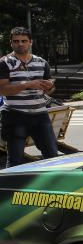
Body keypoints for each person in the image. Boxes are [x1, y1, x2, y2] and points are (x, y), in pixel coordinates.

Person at [0, 27, 58, 167]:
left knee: (52, 156)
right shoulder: (4, 62)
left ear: (30, 42)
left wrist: (49, 87)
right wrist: (27, 84)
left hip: (40, 114)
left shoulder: (41, 62)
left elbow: (50, 91)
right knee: (15, 160)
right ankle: (12, 187)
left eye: (24, 41)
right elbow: (2, 90)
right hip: (15, 115)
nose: (20, 44)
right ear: (11, 43)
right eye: (16, 41)